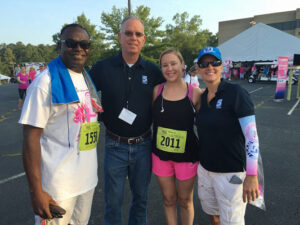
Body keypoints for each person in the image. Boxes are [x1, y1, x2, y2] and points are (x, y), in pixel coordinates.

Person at [19, 24, 101, 225]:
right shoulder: (44, 83)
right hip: (57, 188)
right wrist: (36, 191)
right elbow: (30, 138)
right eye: (71, 43)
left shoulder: (86, 78)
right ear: (60, 45)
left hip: (87, 181)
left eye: (84, 44)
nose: (78, 48)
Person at [89, 16, 164, 225]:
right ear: (119, 37)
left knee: (141, 201)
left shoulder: (153, 71)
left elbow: (174, 92)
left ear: (144, 39)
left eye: (138, 34)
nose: (133, 37)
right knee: (113, 203)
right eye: (128, 33)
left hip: (143, 145)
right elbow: (85, 93)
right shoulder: (103, 68)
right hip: (114, 146)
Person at [195, 47, 260, 225]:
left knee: (232, 222)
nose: (210, 67)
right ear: (199, 68)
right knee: (213, 215)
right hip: (205, 170)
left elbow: (252, 136)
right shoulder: (202, 97)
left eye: (214, 63)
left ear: (222, 66)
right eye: (204, 64)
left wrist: (252, 175)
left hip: (231, 174)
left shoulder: (236, 93)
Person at [152, 49, 202, 225]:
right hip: (160, 156)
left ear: (182, 65)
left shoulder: (195, 93)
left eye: (173, 63)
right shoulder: (156, 91)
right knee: (168, 199)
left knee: (185, 200)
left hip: (187, 157)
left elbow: (209, 124)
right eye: (165, 65)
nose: (169, 68)